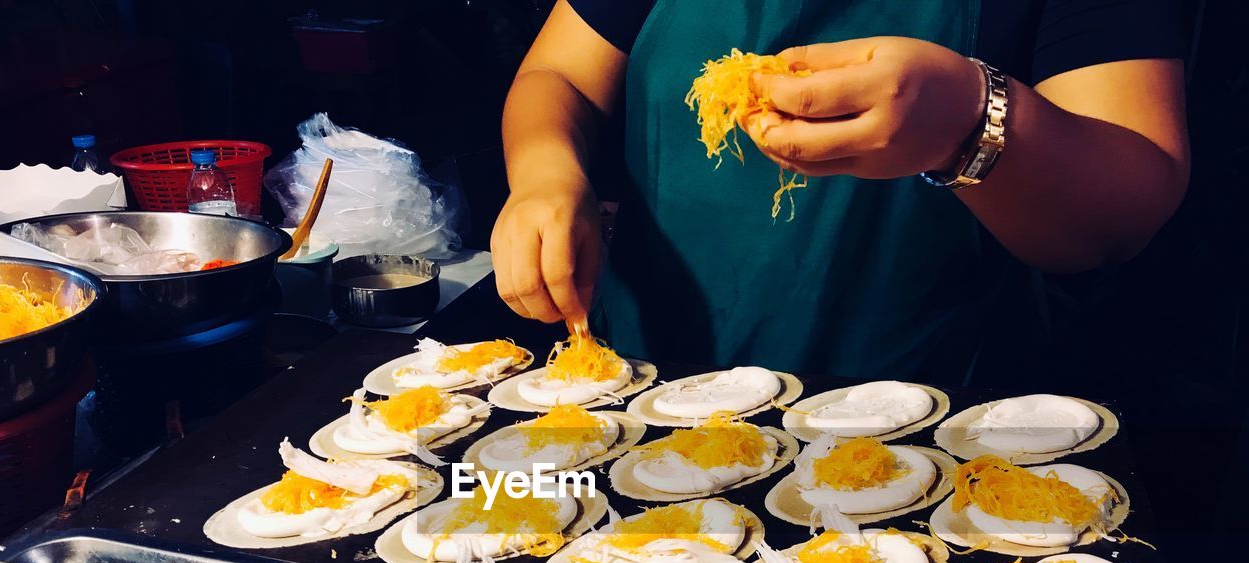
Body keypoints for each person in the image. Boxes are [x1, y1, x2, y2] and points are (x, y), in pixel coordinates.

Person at [490, 0, 1189, 382]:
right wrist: (545, 173)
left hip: (934, 434)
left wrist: (970, 123)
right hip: (650, 390)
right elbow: (561, 76)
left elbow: (1119, 216)